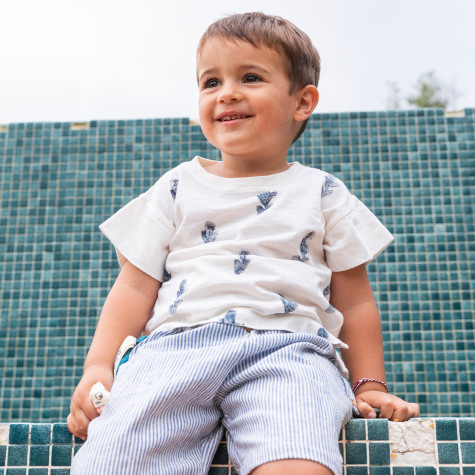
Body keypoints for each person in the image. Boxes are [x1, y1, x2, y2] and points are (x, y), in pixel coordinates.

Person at [68, 12, 420, 475]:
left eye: (250, 77)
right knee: (115, 461)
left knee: (299, 461)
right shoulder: (177, 186)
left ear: (303, 101)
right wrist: (99, 366)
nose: (226, 92)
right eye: (210, 81)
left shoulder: (323, 192)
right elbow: (134, 287)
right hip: (172, 352)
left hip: (289, 351)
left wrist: (369, 383)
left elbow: (354, 301)